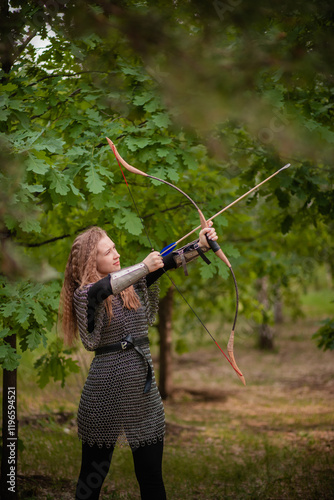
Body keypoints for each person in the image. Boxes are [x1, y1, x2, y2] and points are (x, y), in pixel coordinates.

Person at [60, 222, 218, 500]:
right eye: (108, 251)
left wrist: (201, 244)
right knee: (91, 482)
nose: (116, 254)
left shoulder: (132, 283)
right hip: (104, 396)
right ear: (91, 261)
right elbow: (105, 288)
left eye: (115, 247)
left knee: (152, 480)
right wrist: (144, 267)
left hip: (142, 398)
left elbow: (169, 261)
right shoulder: (86, 294)